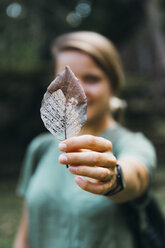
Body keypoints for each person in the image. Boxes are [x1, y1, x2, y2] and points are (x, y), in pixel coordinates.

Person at [13, 31, 156, 248]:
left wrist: (113, 178)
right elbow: (25, 233)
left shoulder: (133, 144)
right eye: (66, 79)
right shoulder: (40, 147)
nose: (78, 90)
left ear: (113, 84)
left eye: (92, 79)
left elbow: (135, 173)